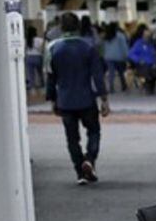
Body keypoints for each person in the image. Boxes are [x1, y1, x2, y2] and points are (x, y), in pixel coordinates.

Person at [45, 12, 109, 185]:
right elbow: (97, 76)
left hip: (65, 101)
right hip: (87, 100)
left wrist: (52, 99)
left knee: (72, 139)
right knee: (94, 131)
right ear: (78, 27)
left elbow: (51, 77)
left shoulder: (53, 49)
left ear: (61, 28)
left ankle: (80, 172)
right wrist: (104, 99)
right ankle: (89, 160)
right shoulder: (89, 47)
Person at [128, 28, 156, 94]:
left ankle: (150, 85)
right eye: (146, 33)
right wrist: (138, 60)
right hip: (142, 65)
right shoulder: (138, 44)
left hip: (151, 65)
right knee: (147, 70)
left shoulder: (151, 45)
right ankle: (147, 86)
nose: (148, 35)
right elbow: (131, 54)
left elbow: (154, 55)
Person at [101, 23, 129, 93]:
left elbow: (103, 47)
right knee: (121, 72)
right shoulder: (120, 36)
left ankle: (111, 87)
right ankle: (124, 85)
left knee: (111, 73)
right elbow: (124, 47)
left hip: (108, 57)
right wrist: (126, 56)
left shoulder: (106, 36)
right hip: (118, 57)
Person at [25, 26, 45, 91]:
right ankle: (42, 86)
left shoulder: (26, 40)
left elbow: (24, 49)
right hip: (38, 57)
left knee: (31, 74)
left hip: (29, 57)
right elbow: (42, 49)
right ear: (35, 32)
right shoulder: (40, 40)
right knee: (40, 73)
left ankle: (32, 87)